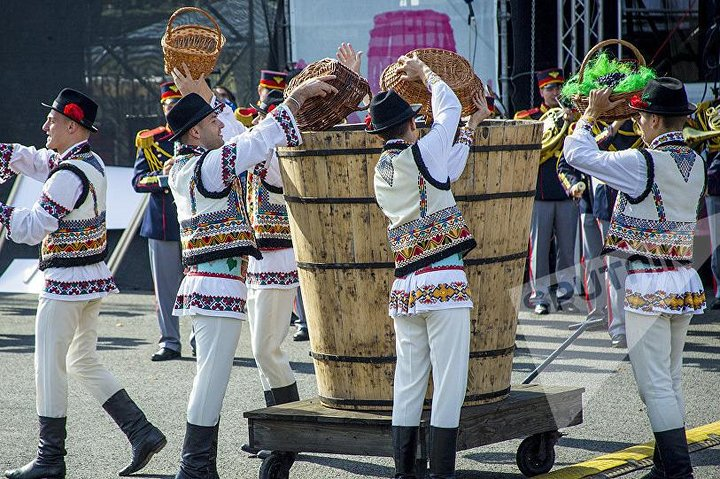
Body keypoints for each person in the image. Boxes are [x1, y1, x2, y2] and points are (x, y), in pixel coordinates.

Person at [166, 64, 335, 477]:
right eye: (210, 122)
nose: (219, 127)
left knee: (212, 375)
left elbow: (243, 138)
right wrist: (295, 100)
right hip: (217, 285)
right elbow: (255, 140)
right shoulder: (206, 167)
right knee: (211, 379)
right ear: (193, 134)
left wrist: (208, 98)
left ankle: (198, 465)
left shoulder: (186, 167)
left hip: (211, 282)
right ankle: (195, 467)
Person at [0, 88, 166, 478]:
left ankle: (50, 458)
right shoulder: (86, 162)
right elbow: (40, 160)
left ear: (73, 127)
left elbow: (33, 227)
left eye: (53, 121)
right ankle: (141, 432)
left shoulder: (67, 176)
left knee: (49, 366)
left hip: (65, 282)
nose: (45, 126)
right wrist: (8, 154)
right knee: (81, 359)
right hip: (88, 280)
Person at [564, 79, 705, 479]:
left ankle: (678, 472)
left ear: (656, 120)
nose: (638, 122)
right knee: (670, 378)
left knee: (654, 384)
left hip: (648, 282)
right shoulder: (693, 162)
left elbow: (577, 154)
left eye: (642, 116)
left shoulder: (643, 162)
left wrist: (589, 117)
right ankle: (665, 468)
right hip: (680, 278)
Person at [367, 54, 491, 478]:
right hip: (443, 280)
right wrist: (427, 74)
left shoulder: (381, 170)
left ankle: (404, 472)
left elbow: (448, 168)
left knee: (409, 379)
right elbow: (451, 108)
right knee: (450, 382)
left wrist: (472, 129)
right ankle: (440, 473)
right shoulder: (425, 150)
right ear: (410, 124)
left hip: (406, 287)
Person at [240, 85, 303, 454]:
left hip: (277, 260)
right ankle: (276, 427)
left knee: (268, 348)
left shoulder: (281, 156)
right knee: (261, 348)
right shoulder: (260, 150)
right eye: (262, 111)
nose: (262, 118)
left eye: (270, 113)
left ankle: (287, 431)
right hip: (259, 262)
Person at [132, 81, 187, 361]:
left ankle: (198, 338)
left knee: (198, 284)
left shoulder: (197, 134)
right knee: (165, 288)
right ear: (162, 107)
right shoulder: (151, 140)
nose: (173, 109)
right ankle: (170, 341)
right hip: (163, 221)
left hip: (195, 222)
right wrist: (166, 180)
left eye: (178, 104)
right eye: (169, 105)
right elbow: (138, 181)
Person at [515, 68, 577, 314]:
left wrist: (571, 122)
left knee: (567, 248)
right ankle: (540, 296)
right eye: (550, 88)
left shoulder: (572, 117)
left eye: (559, 87)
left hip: (566, 191)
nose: (555, 92)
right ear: (541, 91)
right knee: (539, 249)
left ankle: (566, 295)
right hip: (540, 192)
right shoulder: (528, 117)